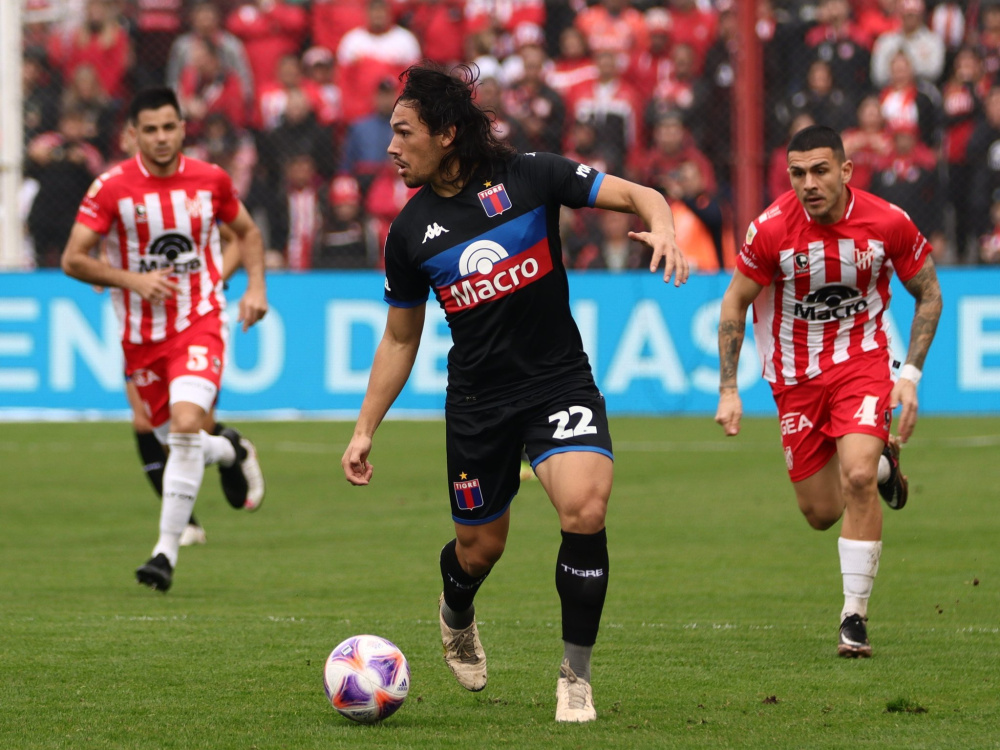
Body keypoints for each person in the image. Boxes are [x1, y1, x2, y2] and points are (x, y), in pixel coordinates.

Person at [341, 62, 687, 722]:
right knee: (480, 549)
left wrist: (664, 227)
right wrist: (365, 428)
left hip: (559, 382)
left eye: (403, 131)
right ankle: (456, 607)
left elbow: (644, 195)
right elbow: (399, 339)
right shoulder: (410, 233)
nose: (389, 146)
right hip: (479, 403)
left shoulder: (531, 177)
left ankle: (575, 678)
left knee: (584, 510)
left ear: (445, 134)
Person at [715, 125, 942, 658]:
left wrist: (908, 375)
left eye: (820, 170)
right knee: (819, 512)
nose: (809, 183)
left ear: (845, 170)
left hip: (864, 364)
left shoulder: (887, 222)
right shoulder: (770, 229)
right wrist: (729, 387)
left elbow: (928, 293)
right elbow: (734, 304)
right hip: (794, 379)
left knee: (856, 475)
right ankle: (885, 465)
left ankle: (854, 618)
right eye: (798, 173)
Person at [61, 87, 269, 593]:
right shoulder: (110, 188)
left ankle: (164, 553)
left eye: (168, 127)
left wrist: (256, 288)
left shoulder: (210, 180)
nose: (160, 138)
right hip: (140, 336)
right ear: (133, 133)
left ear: (182, 128)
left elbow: (248, 233)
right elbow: (73, 259)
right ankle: (232, 451)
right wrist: (132, 280)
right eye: (149, 129)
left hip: (200, 321)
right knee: (167, 436)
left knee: (181, 427)